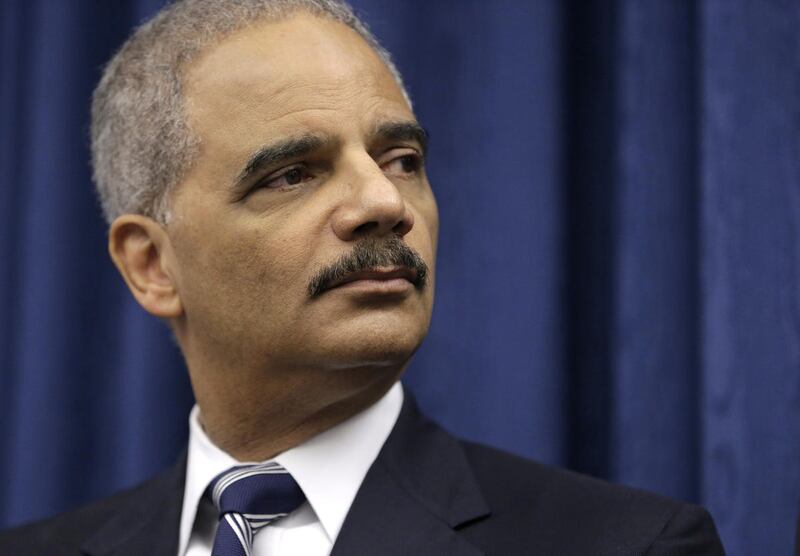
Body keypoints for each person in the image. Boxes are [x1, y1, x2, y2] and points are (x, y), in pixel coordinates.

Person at [0, 0, 725, 554]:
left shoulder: (631, 546)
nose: (384, 203)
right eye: (292, 175)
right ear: (152, 266)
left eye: (401, 160)